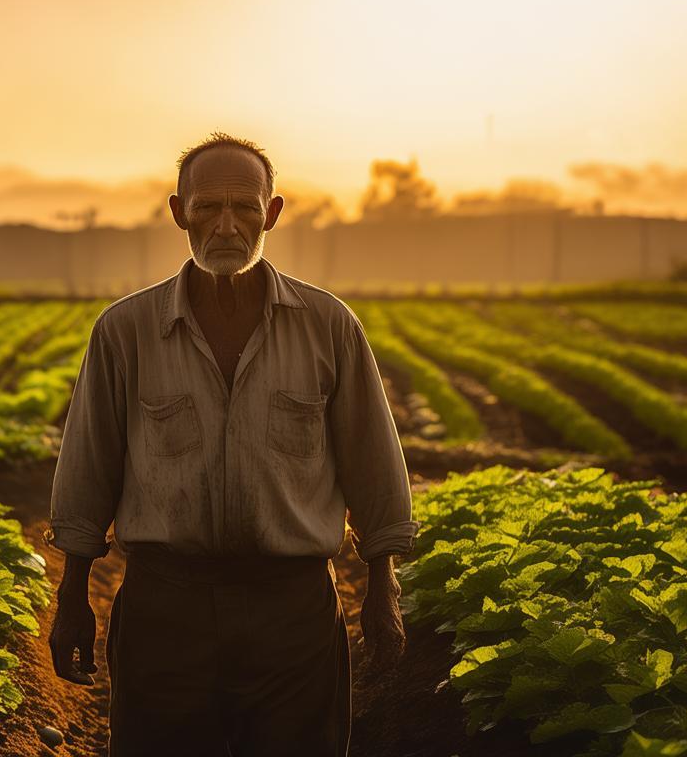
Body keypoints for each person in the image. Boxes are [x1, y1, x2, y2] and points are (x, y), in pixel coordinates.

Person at [46, 132, 418, 756]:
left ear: (271, 213)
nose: (226, 225)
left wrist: (382, 590)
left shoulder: (329, 326)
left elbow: (374, 464)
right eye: (207, 207)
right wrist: (72, 597)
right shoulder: (125, 331)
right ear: (178, 213)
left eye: (245, 208)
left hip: (291, 611)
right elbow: (88, 469)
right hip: (166, 608)